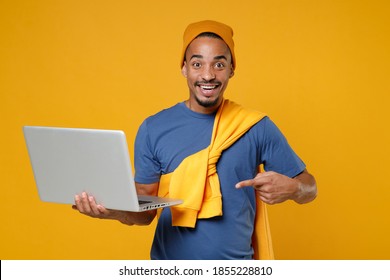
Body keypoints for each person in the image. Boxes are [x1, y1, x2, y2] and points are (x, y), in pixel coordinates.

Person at [73, 20, 317, 260]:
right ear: (184, 68)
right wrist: (112, 212)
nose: (208, 75)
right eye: (197, 63)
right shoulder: (153, 129)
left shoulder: (255, 127)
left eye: (219, 64)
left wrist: (294, 188)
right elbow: (145, 214)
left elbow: (310, 187)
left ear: (232, 68)